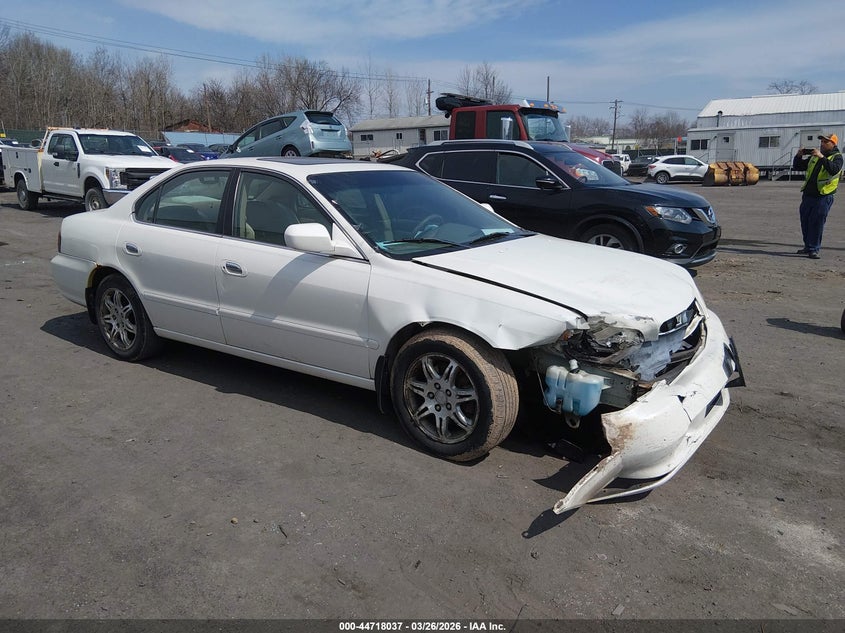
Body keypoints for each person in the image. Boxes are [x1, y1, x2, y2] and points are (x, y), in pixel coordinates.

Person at [792, 133, 843, 259]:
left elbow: (833, 169)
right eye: (822, 141)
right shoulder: (814, 157)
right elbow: (798, 166)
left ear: (833, 144)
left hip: (823, 195)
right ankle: (808, 246)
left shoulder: (837, 157)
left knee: (817, 222)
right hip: (808, 194)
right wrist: (798, 156)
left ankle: (814, 248)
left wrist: (821, 157)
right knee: (806, 221)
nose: (822, 144)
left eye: (826, 142)